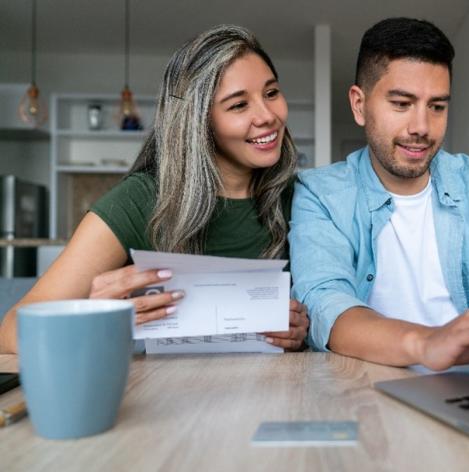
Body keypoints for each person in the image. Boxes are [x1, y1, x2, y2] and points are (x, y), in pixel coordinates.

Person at [0, 25, 308, 354]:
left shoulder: (304, 198)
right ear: (197, 121)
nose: (268, 116)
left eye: (271, 93)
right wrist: (92, 317)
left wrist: (304, 330)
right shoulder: (139, 201)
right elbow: (9, 334)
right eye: (238, 105)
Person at [289, 18, 469, 371]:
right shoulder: (319, 194)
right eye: (402, 104)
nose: (421, 127)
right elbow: (327, 305)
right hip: (369, 386)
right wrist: (429, 341)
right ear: (359, 104)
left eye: (437, 106)